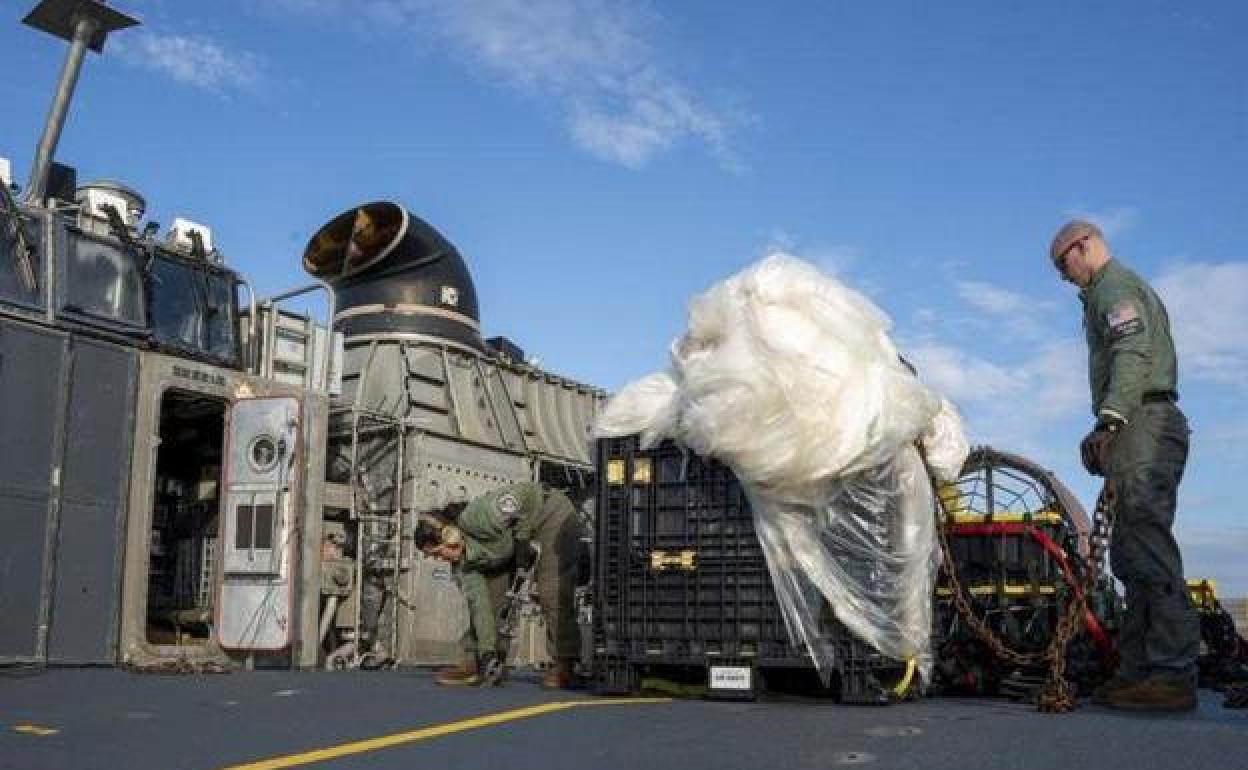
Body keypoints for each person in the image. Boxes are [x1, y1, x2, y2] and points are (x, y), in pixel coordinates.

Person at [1049, 219, 1200, 711]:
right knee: (1131, 554)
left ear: (1084, 246)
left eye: (1062, 262)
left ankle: (1172, 675)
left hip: (1144, 421)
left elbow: (1131, 351)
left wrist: (1111, 421)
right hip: (1138, 423)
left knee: (1148, 547)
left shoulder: (1114, 287)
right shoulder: (1105, 292)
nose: (1063, 275)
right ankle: (1139, 671)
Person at [422, 482, 585, 689]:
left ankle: (565, 662)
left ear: (449, 536)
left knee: (551, 591)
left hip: (550, 514)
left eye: (437, 553)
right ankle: (483, 660)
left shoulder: (480, 516)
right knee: (490, 598)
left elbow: (525, 496)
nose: (438, 559)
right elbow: (479, 604)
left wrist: (523, 540)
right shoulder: (464, 565)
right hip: (508, 545)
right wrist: (487, 651)